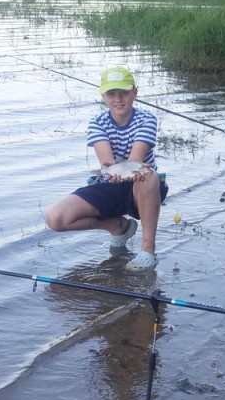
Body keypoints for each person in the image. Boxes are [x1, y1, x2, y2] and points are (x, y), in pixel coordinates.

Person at [44, 67, 168, 270]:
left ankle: (148, 250)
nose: (118, 99)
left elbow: (135, 159)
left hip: (142, 189)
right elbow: (107, 163)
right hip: (111, 183)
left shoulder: (147, 119)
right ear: (103, 97)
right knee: (54, 217)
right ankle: (116, 226)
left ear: (135, 93)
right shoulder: (97, 122)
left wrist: (130, 171)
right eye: (111, 94)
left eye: (124, 93)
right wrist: (111, 172)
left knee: (148, 175)